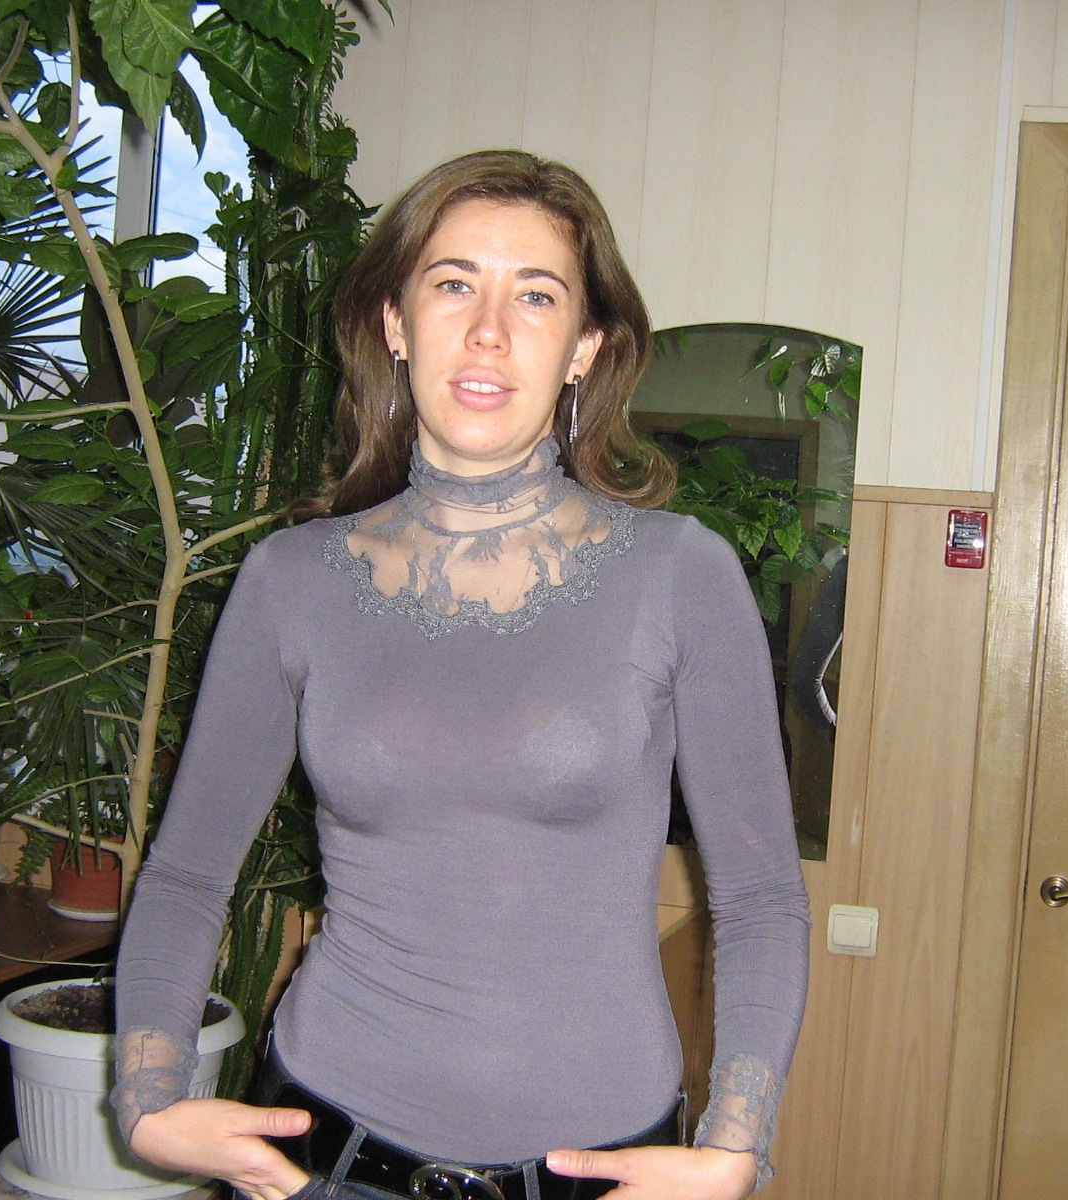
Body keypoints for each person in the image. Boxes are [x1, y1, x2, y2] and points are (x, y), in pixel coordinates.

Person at [111, 149, 811, 1200]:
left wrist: (736, 1146)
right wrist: (148, 1099)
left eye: (535, 295)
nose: (489, 330)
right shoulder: (290, 581)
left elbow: (758, 898)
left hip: (599, 1171)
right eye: (453, 284)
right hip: (328, 1157)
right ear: (395, 323)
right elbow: (186, 875)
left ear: (585, 348)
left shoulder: (681, 573)